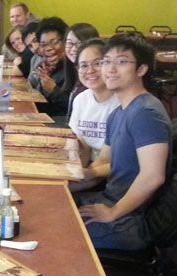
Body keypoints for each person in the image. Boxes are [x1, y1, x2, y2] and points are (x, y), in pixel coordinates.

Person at [75, 33, 171, 251]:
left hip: (131, 218)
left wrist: (113, 213)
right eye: (106, 61)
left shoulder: (146, 113)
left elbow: (153, 176)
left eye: (121, 62)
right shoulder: (118, 112)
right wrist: (75, 176)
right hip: (109, 198)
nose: (110, 69)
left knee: (53, 229)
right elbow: (104, 162)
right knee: (48, 208)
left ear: (141, 69)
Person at [68, 38, 120, 192]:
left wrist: (83, 177)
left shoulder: (121, 103)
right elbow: (82, 144)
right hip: (88, 169)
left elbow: (112, 161)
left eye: (98, 63)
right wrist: (77, 172)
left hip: (110, 175)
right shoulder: (81, 99)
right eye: (84, 65)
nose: (90, 71)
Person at [30, 17, 70, 117]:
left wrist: (54, 90)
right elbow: (40, 101)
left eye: (54, 42)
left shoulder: (75, 68)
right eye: (43, 45)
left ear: (65, 42)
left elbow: (74, 108)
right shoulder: (48, 67)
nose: (48, 48)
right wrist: (42, 80)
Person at [62, 23, 100, 117]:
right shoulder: (73, 71)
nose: (74, 49)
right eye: (70, 43)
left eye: (80, 44)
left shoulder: (94, 77)